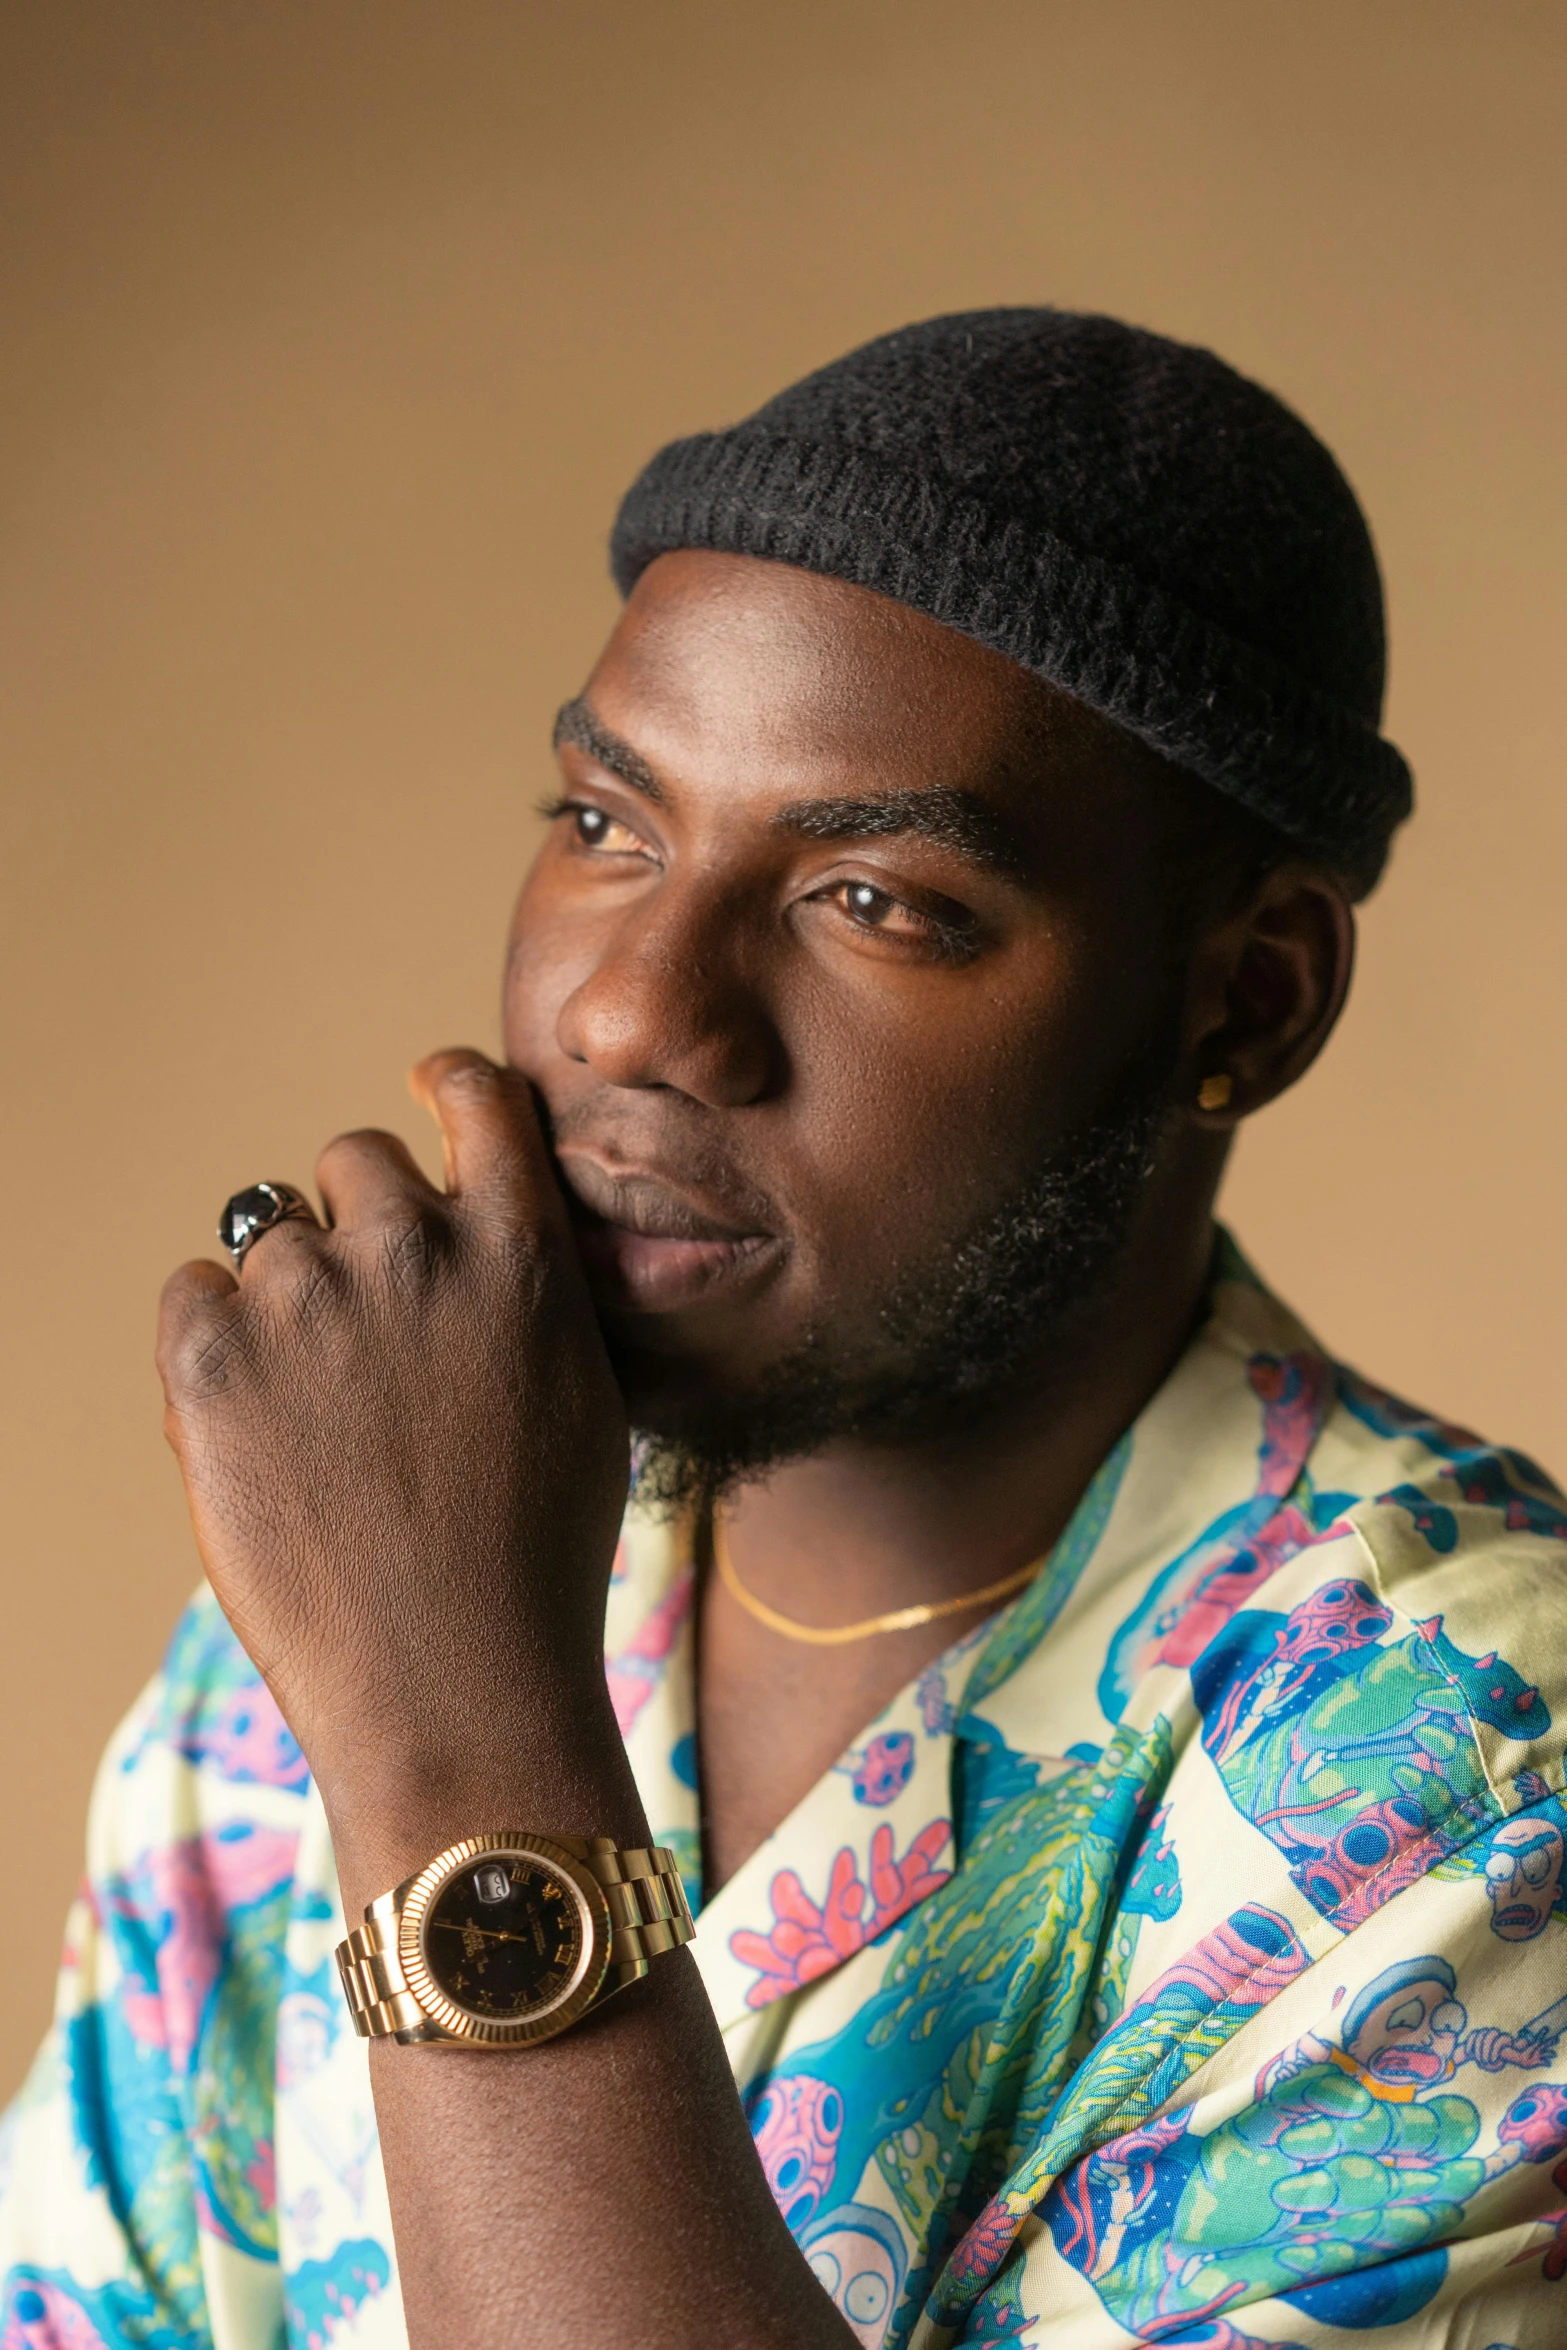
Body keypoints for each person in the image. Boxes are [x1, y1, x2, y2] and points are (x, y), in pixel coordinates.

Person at [3, 308, 1565, 2350]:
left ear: (1249, 999)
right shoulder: (363, 1575)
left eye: (879, 899)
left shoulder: (1461, 1770)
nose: (637, 1011)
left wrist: (464, 1754)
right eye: (602, 822)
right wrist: (412, 1656)